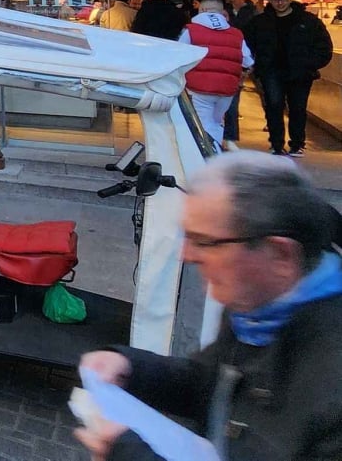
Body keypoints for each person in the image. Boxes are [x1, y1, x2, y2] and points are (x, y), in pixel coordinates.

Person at [74, 152, 342, 460]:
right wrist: (132, 369)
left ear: (280, 255)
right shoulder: (257, 304)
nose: (186, 255)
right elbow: (211, 381)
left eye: (205, 241)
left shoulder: (331, 385)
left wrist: (130, 454)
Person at [244, 0, 333, 157]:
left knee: (297, 108)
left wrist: (310, 65)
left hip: (300, 72)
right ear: (269, 0)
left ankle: (297, 143)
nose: (280, 3)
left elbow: (323, 46)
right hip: (271, 71)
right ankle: (277, 144)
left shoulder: (308, 21)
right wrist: (256, 64)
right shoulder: (260, 22)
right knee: (274, 106)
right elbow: (246, 44)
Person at [179, 0, 255, 149]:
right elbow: (247, 61)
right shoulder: (236, 34)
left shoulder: (191, 30)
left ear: (201, 11)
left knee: (204, 123)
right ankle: (216, 149)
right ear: (222, 13)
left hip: (199, 86)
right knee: (216, 121)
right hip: (227, 89)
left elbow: (179, 54)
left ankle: (209, 154)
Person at [221, 0, 259, 149]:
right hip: (230, 60)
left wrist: (251, 62)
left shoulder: (252, 13)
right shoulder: (225, 12)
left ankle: (229, 137)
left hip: (248, 59)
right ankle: (228, 137)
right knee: (230, 99)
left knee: (268, 99)